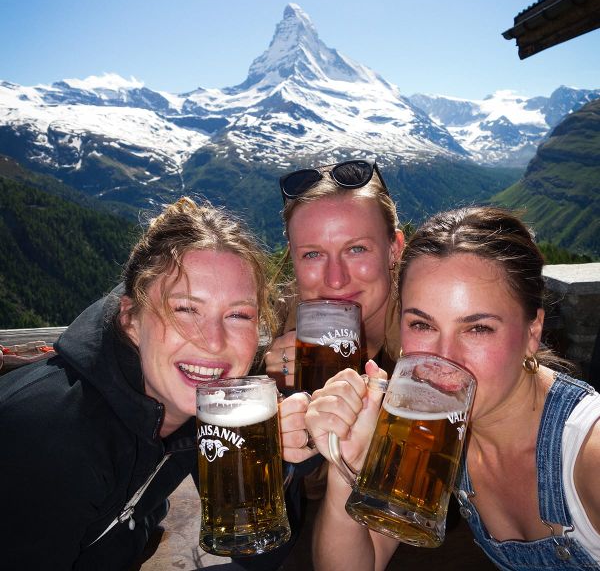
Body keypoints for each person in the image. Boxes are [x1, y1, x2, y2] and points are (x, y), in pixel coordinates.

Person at [0, 197, 311, 570]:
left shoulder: (199, 408)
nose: (213, 341)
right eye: (185, 309)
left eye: (239, 315)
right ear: (130, 318)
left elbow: (256, 552)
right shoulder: (48, 435)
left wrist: (270, 464)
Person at [305, 206, 600, 570]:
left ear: (532, 331)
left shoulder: (589, 454)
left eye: (478, 328)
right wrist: (346, 470)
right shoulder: (428, 429)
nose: (444, 361)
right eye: (422, 325)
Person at [265, 158, 404, 389]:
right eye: (312, 254)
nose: (336, 279)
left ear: (394, 249)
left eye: (356, 249)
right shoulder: (276, 322)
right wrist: (277, 391)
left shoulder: (427, 338)